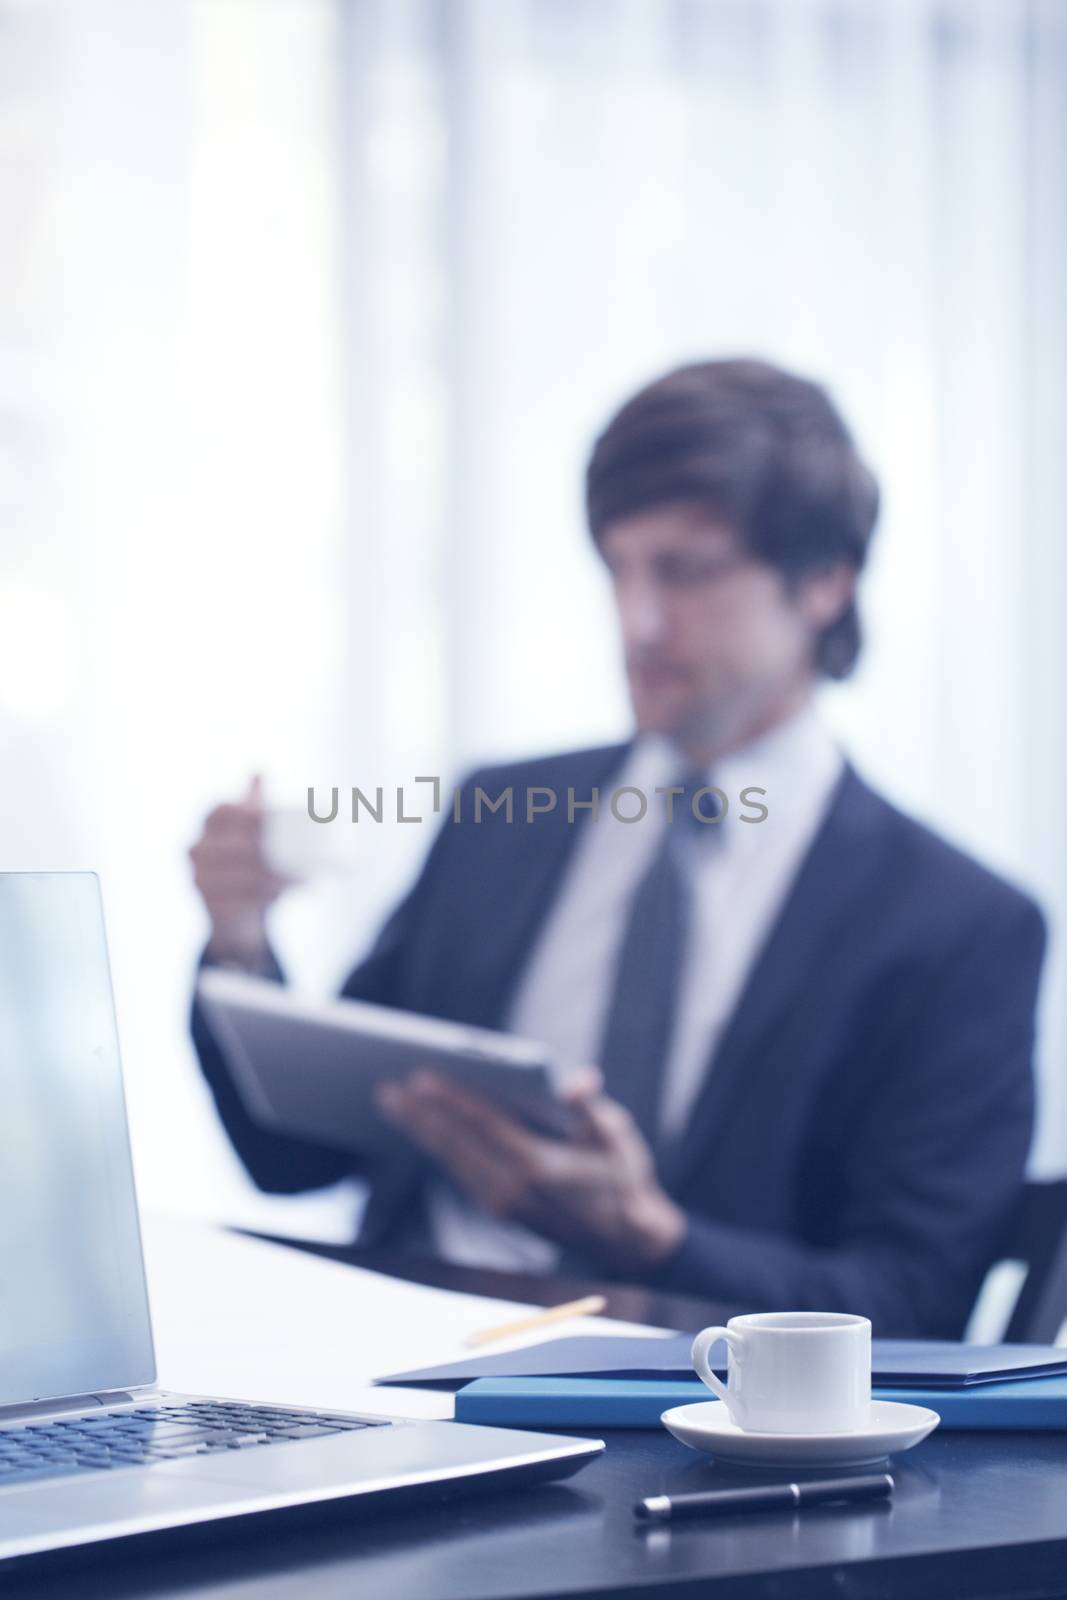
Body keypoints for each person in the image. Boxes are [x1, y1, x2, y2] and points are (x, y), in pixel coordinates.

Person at [189, 358, 1045, 1337]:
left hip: (687, 1422)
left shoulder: (957, 926)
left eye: (684, 571)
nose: (635, 621)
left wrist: (654, 1238)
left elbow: (913, 1299)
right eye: (617, 566)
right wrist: (242, 943)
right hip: (392, 1354)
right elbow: (292, 1155)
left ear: (822, 583)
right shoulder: (500, 813)